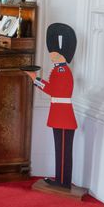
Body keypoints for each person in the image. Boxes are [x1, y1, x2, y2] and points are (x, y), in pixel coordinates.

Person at [25, 23, 78, 189]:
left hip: (63, 115)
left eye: (55, 55)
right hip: (60, 114)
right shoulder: (59, 70)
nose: (52, 57)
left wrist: (36, 79)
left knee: (63, 150)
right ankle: (61, 179)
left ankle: (63, 182)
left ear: (63, 56)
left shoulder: (62, 71)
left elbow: (53, 90)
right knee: (61, 149)